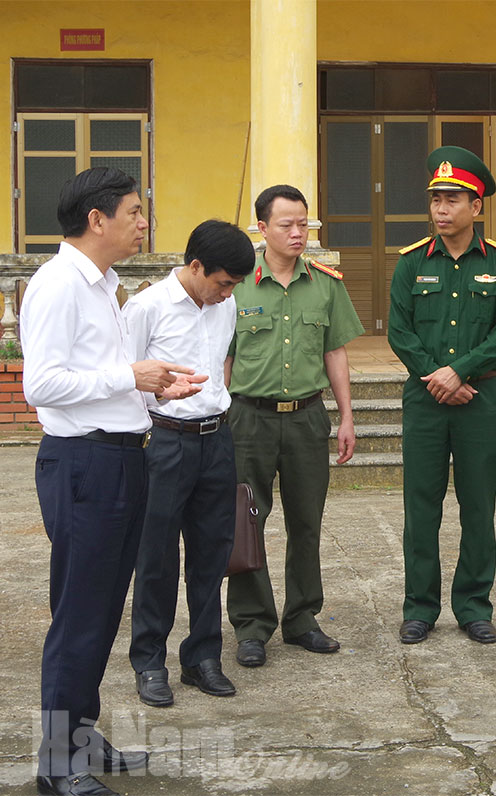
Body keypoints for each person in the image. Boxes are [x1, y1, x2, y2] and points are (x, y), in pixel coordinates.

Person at [21, 166, 205, 796]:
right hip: (84, 465)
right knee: (79, 610)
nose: (143, 223)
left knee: (101, 608)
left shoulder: (103, 284)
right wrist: (130, 377)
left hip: (121, 455)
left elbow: (103, 373)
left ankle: (79, 734)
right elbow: (41, 385)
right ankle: (56, 762)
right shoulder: (58, 286)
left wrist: (155, 386)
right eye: (133, 212)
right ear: (96, 219)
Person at [225, 185, 364, 667]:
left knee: (307, 522)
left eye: (303, 223)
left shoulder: (325, 283)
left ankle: (302, 618)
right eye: (286, 224)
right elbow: (224, 356)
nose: (297, 232)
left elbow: (335, 352)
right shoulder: (237, 284)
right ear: (261, 229)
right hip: (247, 418)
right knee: (247, 521)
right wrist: (222, 415)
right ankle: (251, 624)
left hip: (307, 418)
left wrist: (345, 416)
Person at [388, 146, 496, 645]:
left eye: (453, 199)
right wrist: (437, 377)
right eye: (436, 199)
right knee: (420, 506)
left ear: (477, 207)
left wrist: (460, 371)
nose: (442, 209)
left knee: (478, 506)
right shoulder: (409, 264)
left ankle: (473, 605)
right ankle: (419, 606)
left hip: (480, 401)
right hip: (425, 400)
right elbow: (400, 332)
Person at [125, 220, 256, 707]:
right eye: (223, 283)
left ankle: (203, 657)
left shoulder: (226, 304)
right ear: (195, 265)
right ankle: (150, 661)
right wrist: (148, 438)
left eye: (235, 286)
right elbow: (126, 377)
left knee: (212, 556)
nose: (227, 294)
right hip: (164, 442)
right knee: (156, 557)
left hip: (217, 440)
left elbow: (220, 365)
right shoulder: (146, 307)